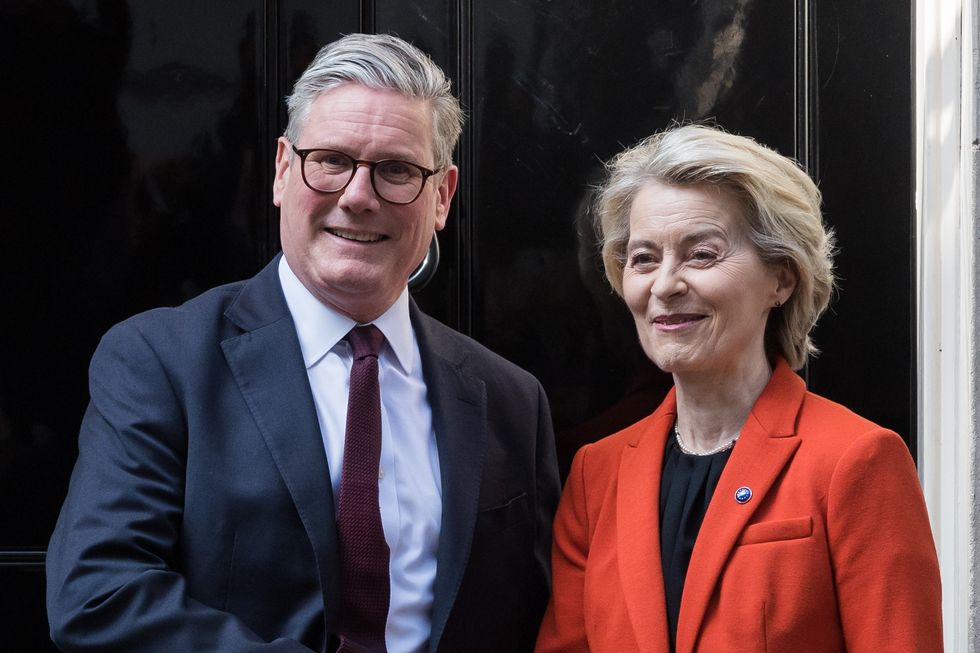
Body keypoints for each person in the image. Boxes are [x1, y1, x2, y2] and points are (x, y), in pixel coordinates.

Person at [46, 33, 560, 653]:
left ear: (443, 196)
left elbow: (537, 616)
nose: (359, 196)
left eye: (396, 170)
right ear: (284, 171)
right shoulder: (163, 361)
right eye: (332, 160)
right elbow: (99, 593)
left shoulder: (510, 399)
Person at [535, 124, 942, 652]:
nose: (664, 285)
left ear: (782, 278)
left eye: (701, 254)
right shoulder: (596, 474)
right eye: (644, 258)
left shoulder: (857, 460)